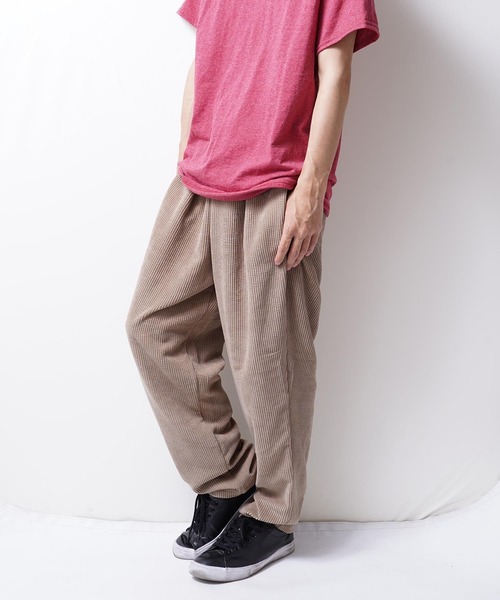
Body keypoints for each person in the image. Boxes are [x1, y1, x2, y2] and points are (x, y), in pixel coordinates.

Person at [125, 0, 380, 583]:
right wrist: (188, 153)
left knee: (268, 356)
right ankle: (225, 479)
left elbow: (336, 72)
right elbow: (204, 60)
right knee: (153, 326)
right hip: (202, 175)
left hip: (274, 182)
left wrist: (310, 189)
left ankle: (274, 514)